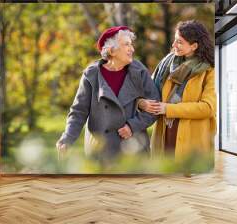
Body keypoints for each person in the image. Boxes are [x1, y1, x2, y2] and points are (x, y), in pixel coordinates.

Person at [56, 26, 160, 160]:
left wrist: (132, 126)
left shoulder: (139, 71)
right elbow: (78, 112)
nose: (132, 49)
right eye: (126, 45)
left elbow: (155, 106)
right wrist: (67, 138)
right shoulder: (91, 75)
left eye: (131, 44)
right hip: (101, 151)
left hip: (134, 149)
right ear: (112, 51)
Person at [138, 20, 216, 169]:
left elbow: (208, 108)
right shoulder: (167, 65)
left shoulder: (209, 71)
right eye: (175, 40)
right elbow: (147, 92)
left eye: (179, 42)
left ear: (194, 46)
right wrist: (141, 103)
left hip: (192, 140)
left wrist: (168, 109)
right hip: (164, 135)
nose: (173, 45)